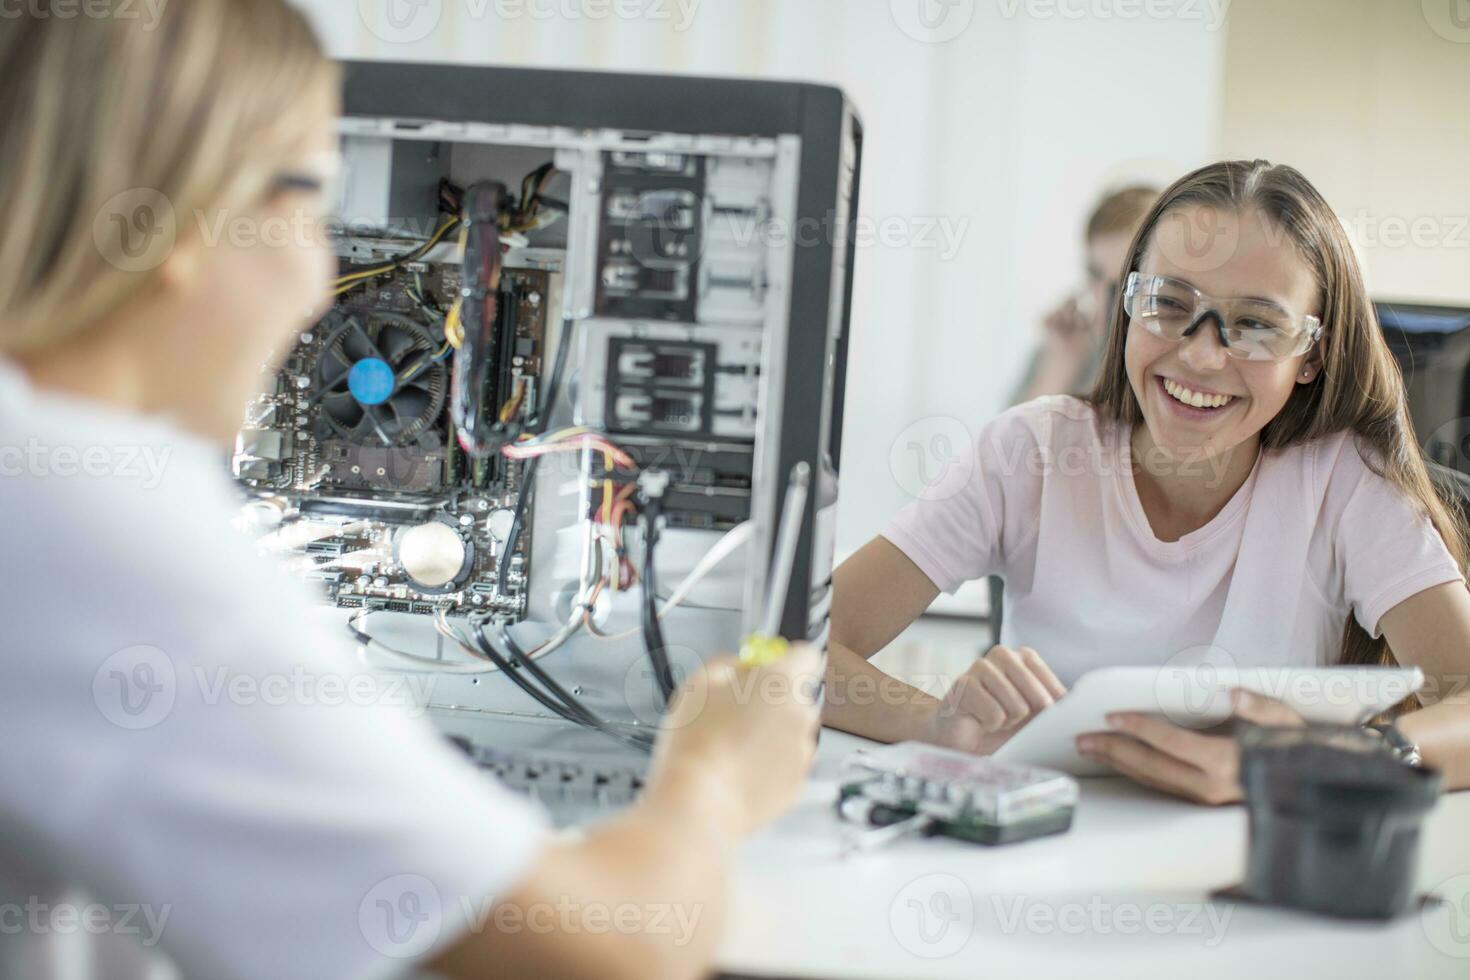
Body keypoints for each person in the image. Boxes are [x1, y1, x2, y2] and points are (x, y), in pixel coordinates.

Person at [0, 5, 819, 980]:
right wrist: (716, 776)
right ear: (177, 214)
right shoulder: (99, 530)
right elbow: (610, 948)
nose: (318, 280)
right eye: (304, 197)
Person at [826, 160, 1470, 804]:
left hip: (1250, 875)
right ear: (1128, 305)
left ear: (1314, 355)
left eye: (1255, 325)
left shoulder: (1345, 481)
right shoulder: (1032, 451)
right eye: (1169, 303)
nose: (1199, 354)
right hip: (1041, 855)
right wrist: (933, 725)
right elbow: (792, 652)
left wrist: (1316, 762)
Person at [1012, 185, 1159, 404]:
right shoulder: (1060, 347)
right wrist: (1059, 368)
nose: (1106, 295)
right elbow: (1011, 436)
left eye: (1125, 279)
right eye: (1095, 273)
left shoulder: (1165, 356)